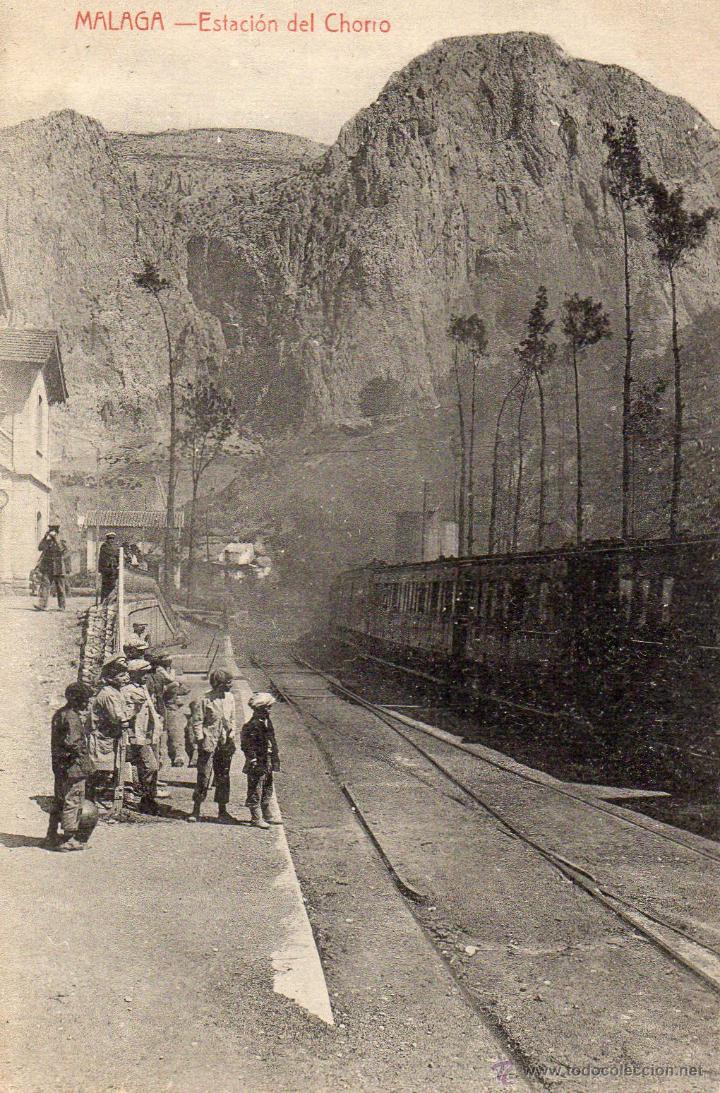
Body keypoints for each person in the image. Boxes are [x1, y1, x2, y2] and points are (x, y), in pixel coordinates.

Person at [46, 682, 97, 851]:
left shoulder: (60, 714)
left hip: (60, 766)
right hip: (73, 767)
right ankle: (67, 839)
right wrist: (86, 763)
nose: (87, 703)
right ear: (77, 700)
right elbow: (73, 743)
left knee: (60, 799)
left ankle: (52, 835)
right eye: (85, 700)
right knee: (73, 800)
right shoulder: (72, 717)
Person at [187, 669, 237, 823]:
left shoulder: (230, 698)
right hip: (208, 742)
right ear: (219, 684)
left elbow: (233, 718)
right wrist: (201, 740)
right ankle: (196, 810)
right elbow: (197, 722)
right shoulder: (205, 699)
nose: (231, 685)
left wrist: (231, 733)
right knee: (203, 776)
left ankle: (222, 811)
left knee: (223, 776)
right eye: (228, 683)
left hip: (224, 742)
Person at [88, 657, 132, 801]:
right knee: (101, 770)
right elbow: (117, 717)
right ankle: (92, 800)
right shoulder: (109, 694)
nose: (125, 678)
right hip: (103, 737)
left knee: (109, 768)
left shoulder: (115, 691)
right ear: (110, 678)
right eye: (121, 676)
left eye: (126, 674)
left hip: (108, 736)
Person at [122, 659, 162, 815]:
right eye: (143, 673)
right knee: (151, 766)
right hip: (135, 736)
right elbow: (125, 715)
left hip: (146, 734)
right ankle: (145, 798)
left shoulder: (142, 688)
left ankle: (148, 799)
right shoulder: (127, 690)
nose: (146, 676)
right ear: (134, 674)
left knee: (148, 767)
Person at [241, 692, 281, 829]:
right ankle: (256, 817)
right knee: (255, 789)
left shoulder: (266, 722)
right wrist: (252, 759)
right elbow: (246, 745)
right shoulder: (252, 725)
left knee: (267, 786)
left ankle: (266, 813)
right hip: (257, 761)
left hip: (267, 759)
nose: (269, 710)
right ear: (260, 708)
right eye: (268, 708)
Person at [36, 525, 71, 611]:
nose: (51, 532)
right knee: (45, 585)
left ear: (56, 532)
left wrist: (55, 539)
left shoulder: (61, 540)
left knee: (60, 588)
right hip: (48, 568)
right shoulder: (48, 541)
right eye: (50, 530)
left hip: (59, 568)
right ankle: (43, 605)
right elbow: (40, 548)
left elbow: (61, 549)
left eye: (53, 530)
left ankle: (62, 607)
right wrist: (44, 538)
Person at [164, 681, 191, 766]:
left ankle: (178, 757)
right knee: (169, 736)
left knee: (176, 734)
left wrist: (178, 682)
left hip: (173, 710)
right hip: (165, 710)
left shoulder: (172, 681)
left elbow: (186, 690)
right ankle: (174, 756)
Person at [98, 532, 120, 601]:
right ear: (107, 539)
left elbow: (117, 556)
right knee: (106, 586)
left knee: (113, 586)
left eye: (113, 539)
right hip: (106, 569)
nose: (112, 540)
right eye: (110, 538)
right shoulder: (104, 546)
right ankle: (103, 601)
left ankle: (111, 601)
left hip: (113, 569)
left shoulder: (114, 546)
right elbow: (112, 553)